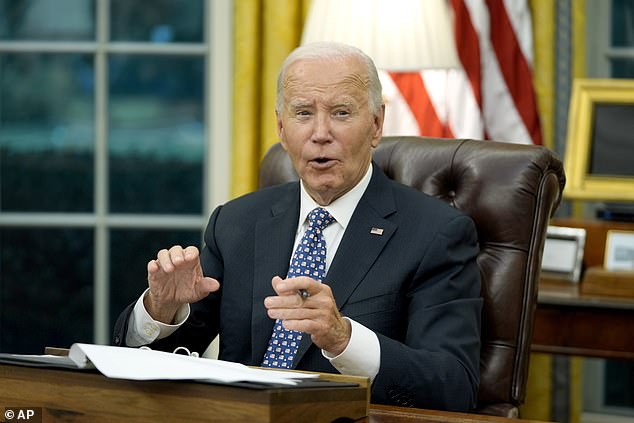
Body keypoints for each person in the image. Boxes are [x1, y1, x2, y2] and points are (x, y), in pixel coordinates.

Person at [113, 42, 482, 411]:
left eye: (341, 112)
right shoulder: (237, 223)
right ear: (281, 127)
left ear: (376, 124)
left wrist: (343, 339)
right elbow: (165, 361)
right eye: (303, 113)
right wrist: (160, 313)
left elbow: (454, 387)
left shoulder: (436, 234)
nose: (321, 133)